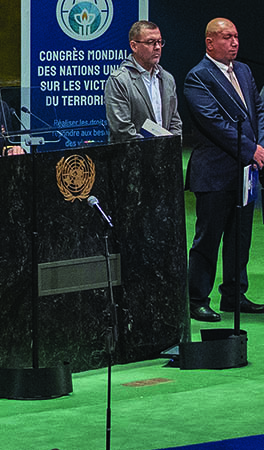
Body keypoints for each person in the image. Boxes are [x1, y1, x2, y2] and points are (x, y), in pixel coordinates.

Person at [183, 18, 264, 322]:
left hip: (246, 172)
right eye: (227, 37)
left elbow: (258, 110)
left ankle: (234, 294)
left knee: (240, 237)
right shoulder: (198, 78)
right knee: (208, 238)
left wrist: (259, 146)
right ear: (209, 42)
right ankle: (197, 299)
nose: (234, 42)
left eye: (236, 36)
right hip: (214, 172)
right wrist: (251, 149)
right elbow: (215, 124)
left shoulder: (243, 71)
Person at [104, 20, 182, 141]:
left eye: (159, 42)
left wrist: (172, 146)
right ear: (134, 46)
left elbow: (175, 121)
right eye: (151, 42)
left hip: (165, 156)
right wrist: (156, 150)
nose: (157, 47)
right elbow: (122, 129)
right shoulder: (119, 80)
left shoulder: (167, 78)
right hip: (132, 157)